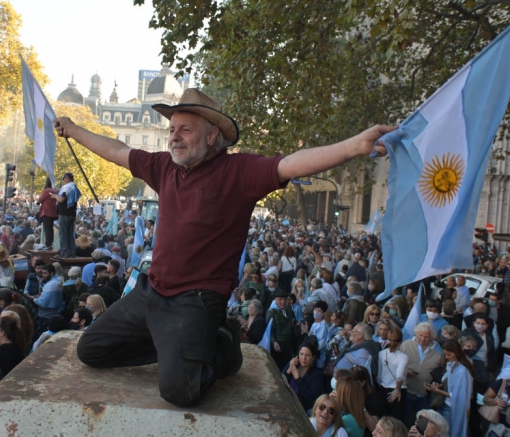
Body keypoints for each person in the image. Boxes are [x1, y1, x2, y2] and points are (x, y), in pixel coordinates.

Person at [55, 87, 393, 407]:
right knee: (92, 350)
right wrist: (73, 129)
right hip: (150, 293)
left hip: (196, 302)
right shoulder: (162, 167)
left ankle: (223, 344)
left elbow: (291, 163)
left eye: (184, 129)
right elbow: (116, 150)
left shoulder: (238, 172)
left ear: (211, 135)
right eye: (172, 128)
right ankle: (175, 348)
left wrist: (354, 147)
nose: (174, 136)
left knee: (179, 392)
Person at [424, 340, 473, 437]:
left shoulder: (462, 371)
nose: (446, 357)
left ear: (456, 353)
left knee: (446, 433)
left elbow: (457, 395)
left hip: (452, 408)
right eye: (445, 354)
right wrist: (439, 386)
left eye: (449, 355)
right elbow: (449, 385)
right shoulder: (451, 365)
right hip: (444, 404)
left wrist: (437, 390)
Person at [400, 322, 444, 427]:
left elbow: (442, 371)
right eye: (420, 335)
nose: (423, 339)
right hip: (407, 390)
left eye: (426, 337)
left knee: (423, 424)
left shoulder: (438, 351)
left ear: (432, 337)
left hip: (425, 394)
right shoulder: (406, 345)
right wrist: (405, 371)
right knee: (406, 420)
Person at [377, 328, 408, 422]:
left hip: (383, 389)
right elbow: (399, 375)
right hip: (398, 391)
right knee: (396, 423)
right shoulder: (403, 357)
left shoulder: (381, 353)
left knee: (384, 421)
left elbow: (379, 374)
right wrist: (398, 388)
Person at [285, 342, 324, 414]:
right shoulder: (293, 365)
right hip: (285, 401)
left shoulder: (317, 374)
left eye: (308, 355)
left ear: (313, 358)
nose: (303, 358)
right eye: (301, 354)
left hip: (301, 410)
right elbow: (279, 383)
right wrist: (288, 371)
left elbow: (311, 398)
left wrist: (297, 378)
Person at [266, 288, 297, 371]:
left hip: (288, 345)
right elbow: (269, 330)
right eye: (280, 299)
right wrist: (274, 341)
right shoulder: (271, 312)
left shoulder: (289, 309)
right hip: (277, 347)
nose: (283, 302)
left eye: (285, 299)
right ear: (275, 300)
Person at [53, 173, 81, 258]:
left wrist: (54, 196)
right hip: (72, 214)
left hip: (64, 213)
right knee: (70, 233)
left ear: (67, 178)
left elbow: (61, 199)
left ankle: (64, 252)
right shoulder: (75, 187)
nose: (64, 180)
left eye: (64, 178)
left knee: (63, 233)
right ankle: (72, 252)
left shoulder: (67, 188)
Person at [38, 177, 58, 249]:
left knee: (47, 229)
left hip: (47, 212)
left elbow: (39, 200)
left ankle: (48, 244)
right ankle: (50, 244)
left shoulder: (46, 191)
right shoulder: (56, 191)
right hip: (54, 212)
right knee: (51, 229)